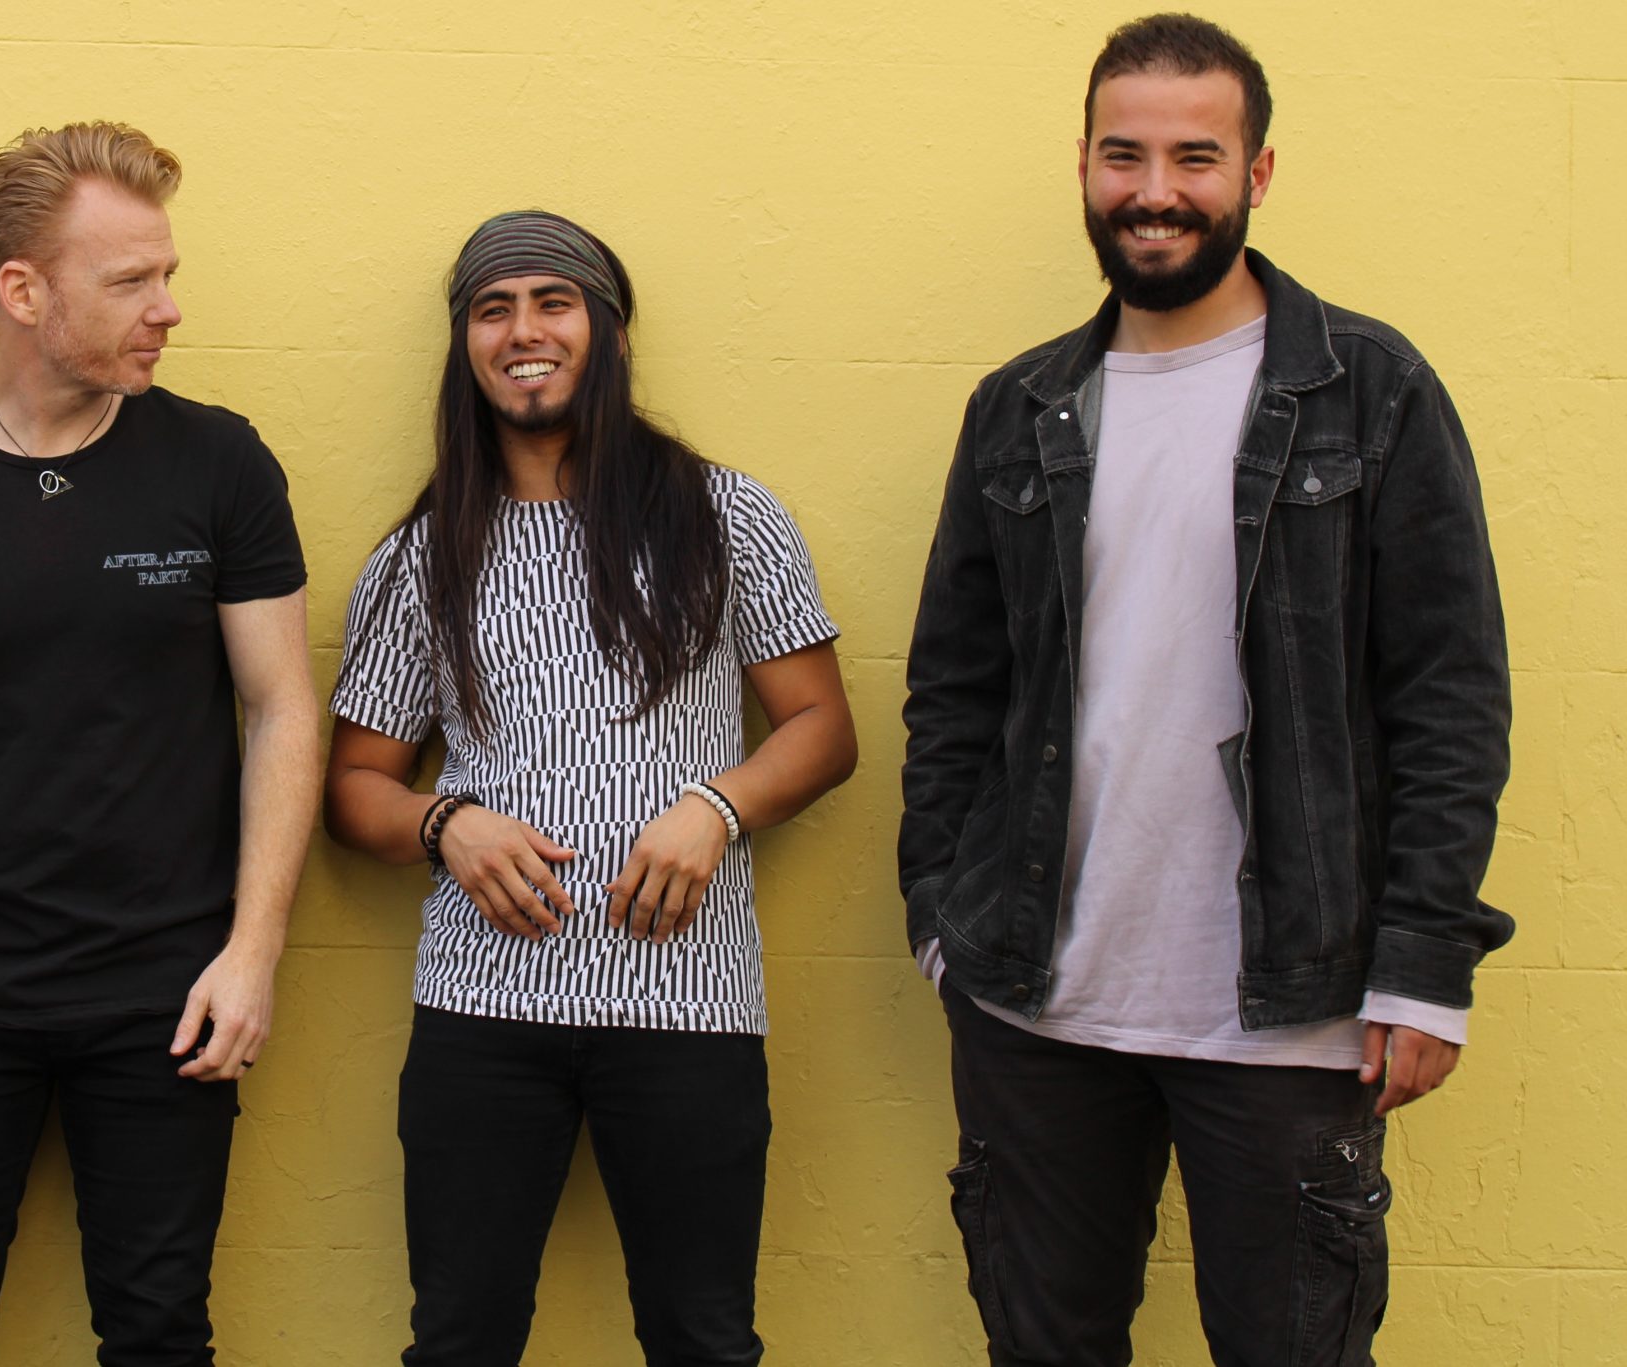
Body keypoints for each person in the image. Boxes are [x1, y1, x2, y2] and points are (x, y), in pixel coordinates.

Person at [899, 14, 1511, 1365]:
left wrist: (1423, 965)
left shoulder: (1371, 389)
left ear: (1257, 172)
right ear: (1082, 165)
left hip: (1293, 1007)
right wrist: (941, 913)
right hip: (1034, 1003)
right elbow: (954, 687)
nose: (1155, 190)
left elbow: (1448, 694)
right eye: (1125, 155)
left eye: (1195, 156)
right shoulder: (1019, 407)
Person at [0, 121, 321, 1366]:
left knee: (158, 1329)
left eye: (166, 273)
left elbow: (283, 707)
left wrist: (252, 952)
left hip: (167, 989)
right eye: (131, 280)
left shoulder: (219, 462)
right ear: (22, 292)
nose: (168, 308)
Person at [324, 209, 858, 1366]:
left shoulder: (725, 514)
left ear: (609, 332)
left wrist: (716, 806)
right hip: (482, 1009)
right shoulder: (422, 555)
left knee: (702, 1337)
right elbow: (355, 784)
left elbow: (822, 728)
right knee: (458, 1339)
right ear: (466, 343)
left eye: (552, 302)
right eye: (493, 309)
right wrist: (444, 822)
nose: (524, 331)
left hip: (688, 1003)